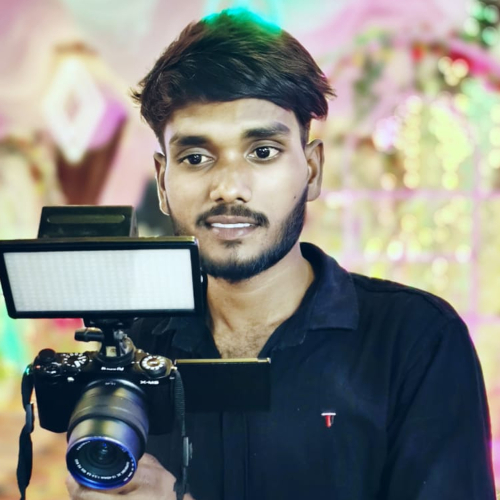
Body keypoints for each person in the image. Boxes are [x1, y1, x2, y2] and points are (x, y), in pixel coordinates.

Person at [67, 8, 496, 500]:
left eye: (263, 152)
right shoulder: (132, 347)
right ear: (163, 183)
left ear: (311, 170)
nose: (229, 187)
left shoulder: (415, 341)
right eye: (196, 157)